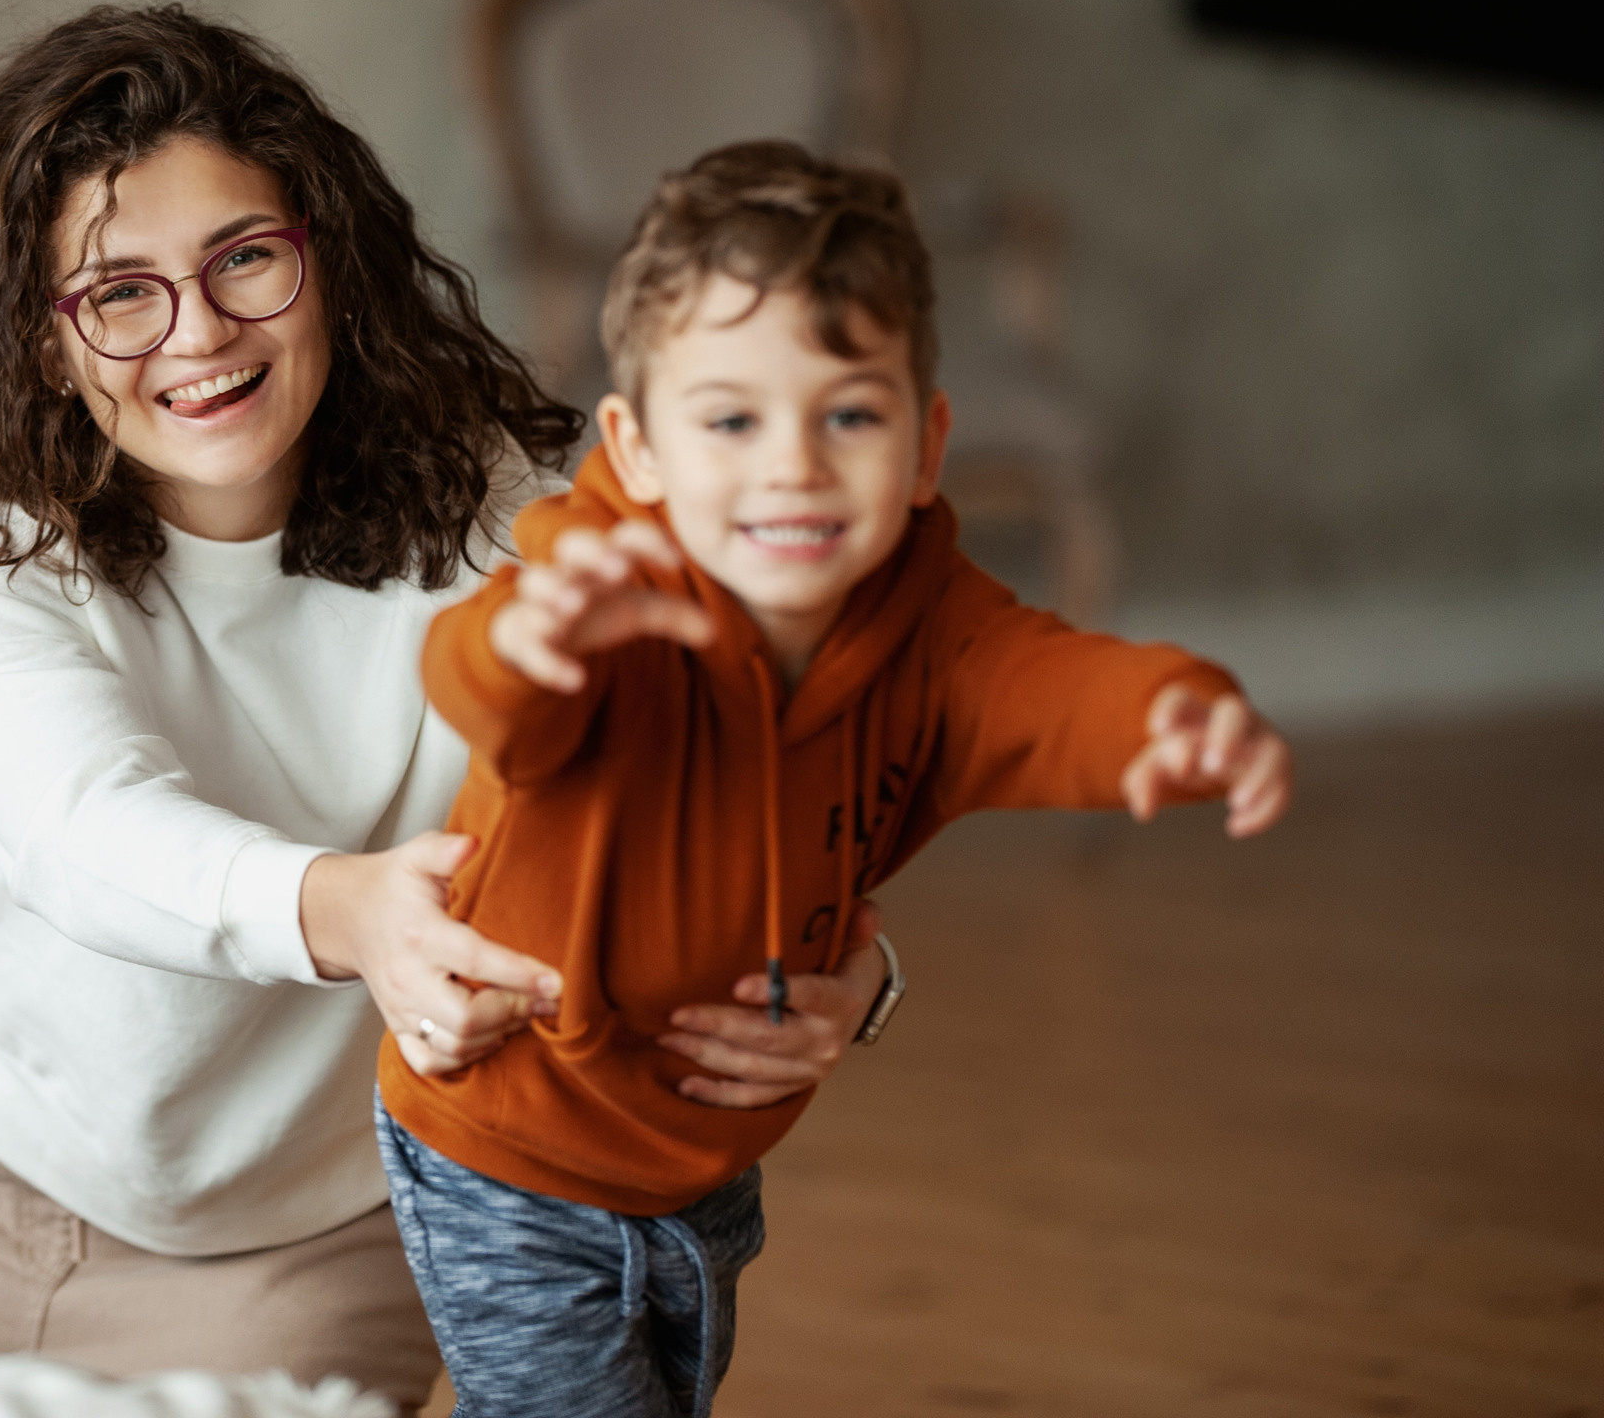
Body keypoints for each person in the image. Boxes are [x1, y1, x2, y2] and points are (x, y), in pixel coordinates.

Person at [0, 9, 899, 1408]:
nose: (201, 334)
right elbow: (78, 830)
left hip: (297, 1248)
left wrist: (844, 958)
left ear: (328, 262)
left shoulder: (506, 518)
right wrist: (347, 909)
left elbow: (718, 762)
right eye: (120, 291)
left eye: (245, 258)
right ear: (46, 340)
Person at [374, 140, 1295, 1418]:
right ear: (639, 451)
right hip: (509, 1145)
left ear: (926, 445)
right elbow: (485, 684)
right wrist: (534, 641)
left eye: (848, 414)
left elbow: (1051, 689)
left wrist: (1176, 715)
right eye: (732, 419)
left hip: (706, 1156)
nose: (794, 464)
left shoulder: (933, 625)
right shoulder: (599, 594)